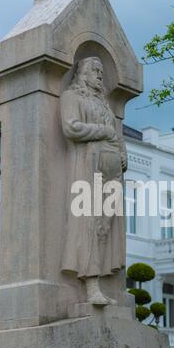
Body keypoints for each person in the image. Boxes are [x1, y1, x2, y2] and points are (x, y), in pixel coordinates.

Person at [61, 56, 127, 306]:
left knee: (105, 227)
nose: (100, 75)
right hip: (88, 166)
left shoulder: (104, 103)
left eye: (102, 71)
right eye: (95, 70)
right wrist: (103, 132)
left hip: (112, 168)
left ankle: (101, 281)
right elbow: (71, 128)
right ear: (82, 73)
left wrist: (123, 156)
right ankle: (90, 286)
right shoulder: (72, 96)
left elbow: (117, 135)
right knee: (90, 223)